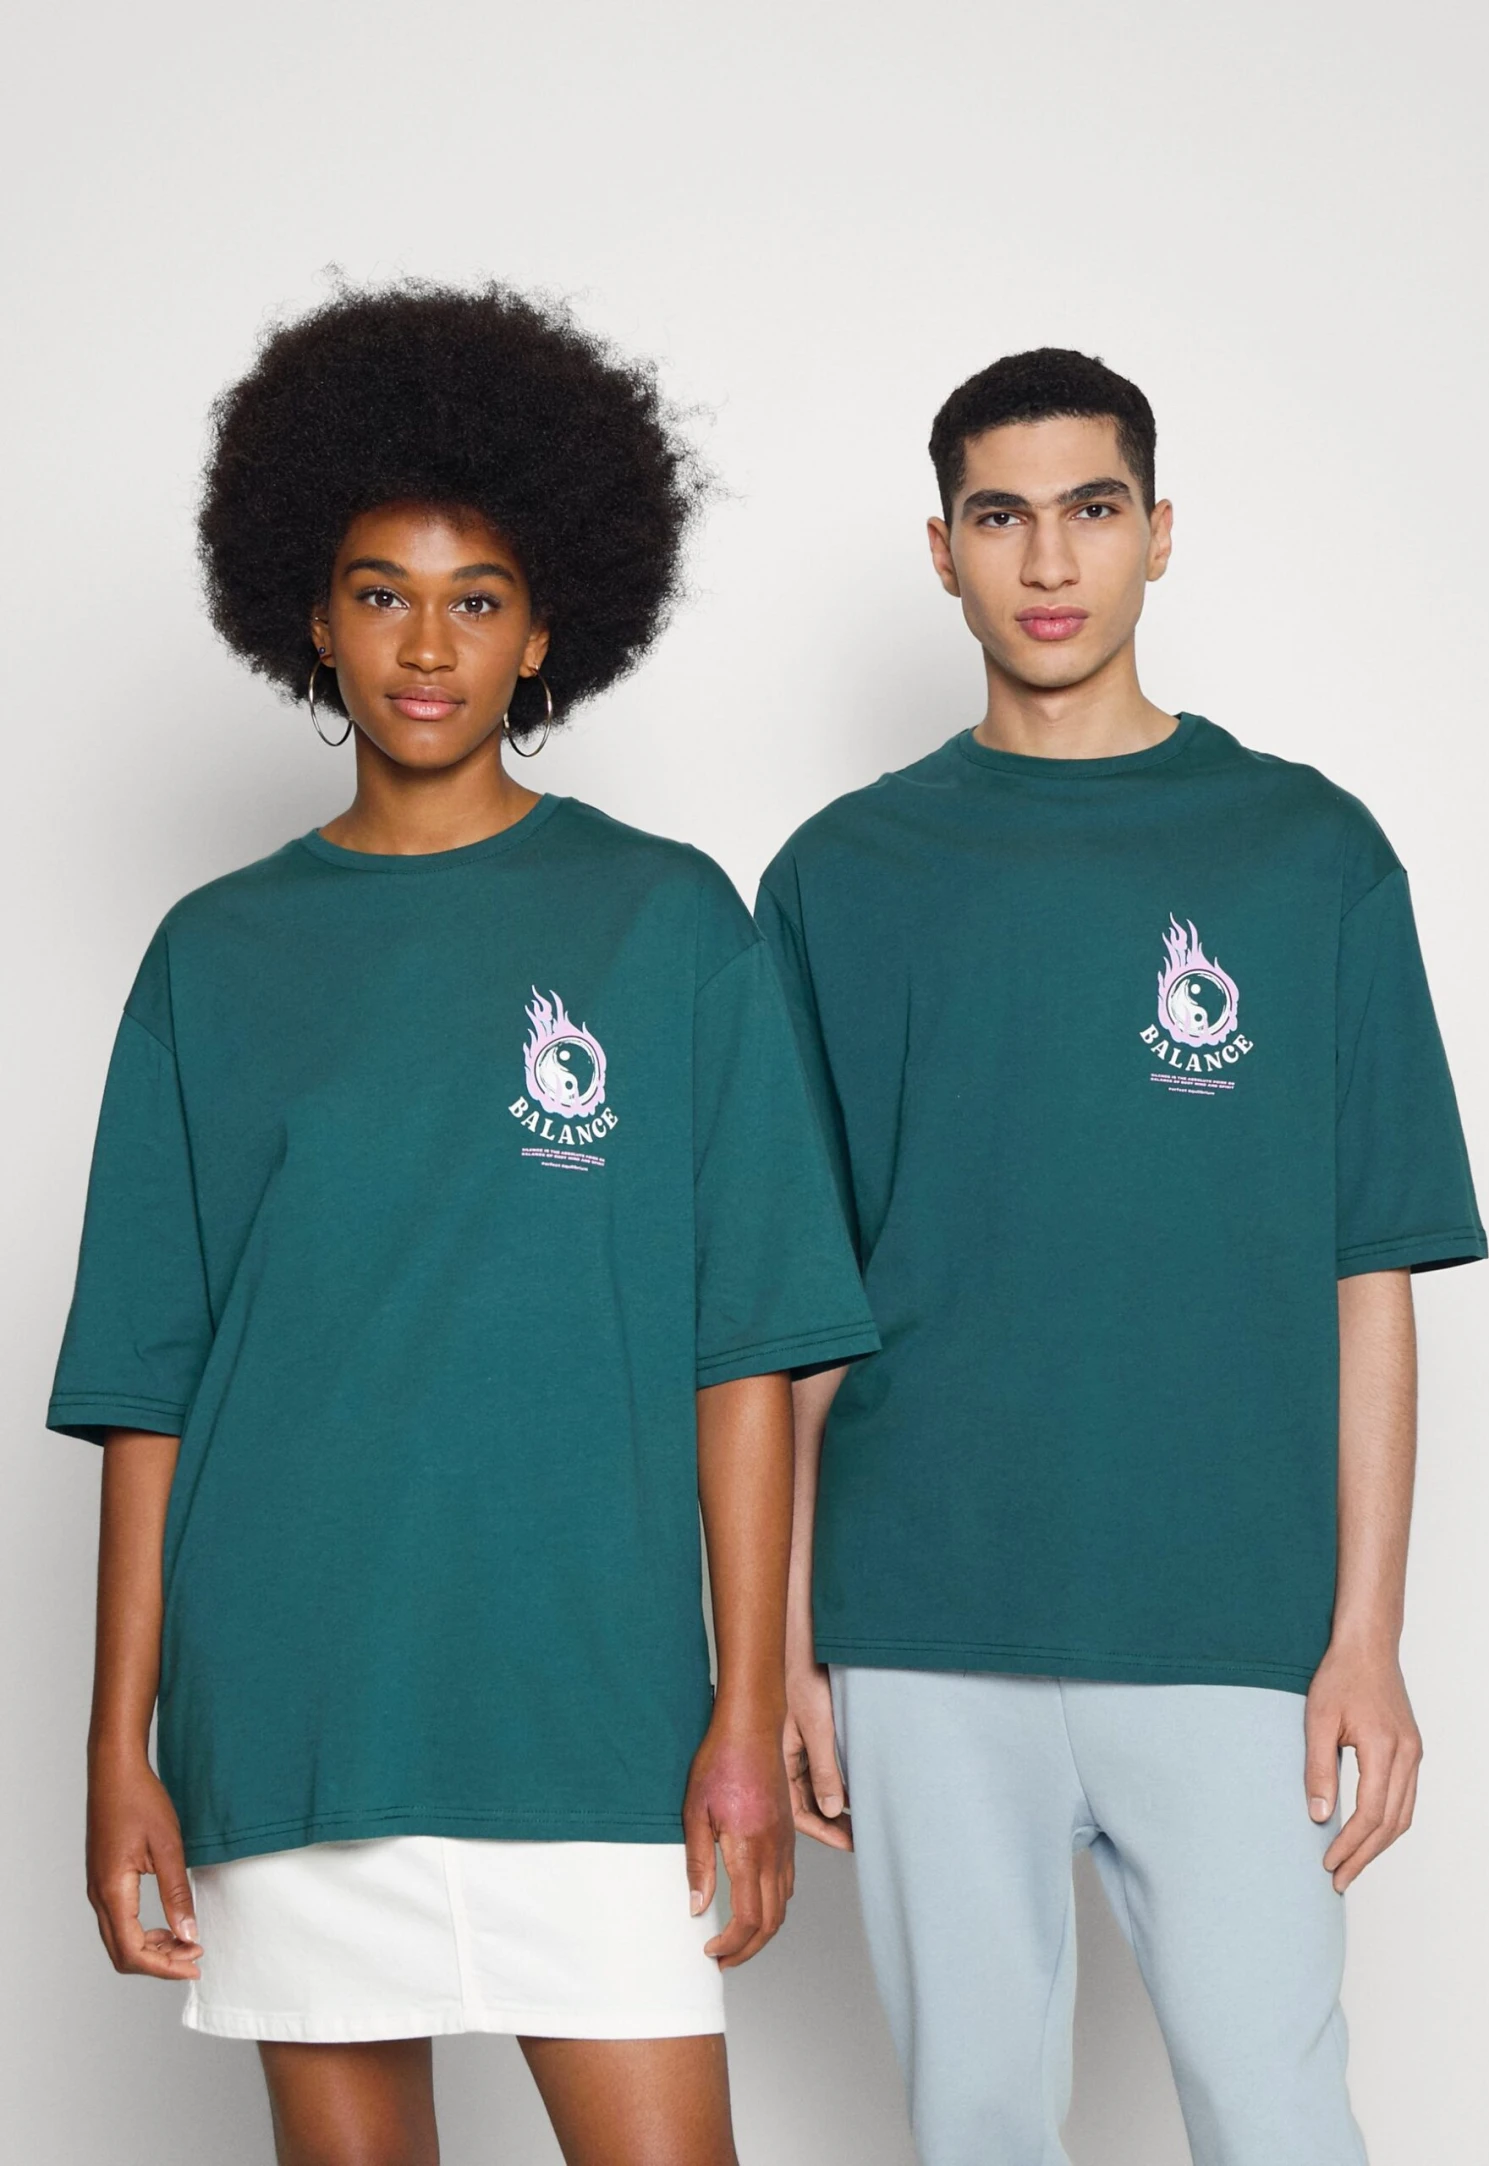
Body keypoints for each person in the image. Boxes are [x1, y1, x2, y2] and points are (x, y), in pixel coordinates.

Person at [49, 280, 877, 2166]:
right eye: (381, 592)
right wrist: (119, 1753)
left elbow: (745, 1348)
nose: (427, 645)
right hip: (297, 1709)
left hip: (591, 1711)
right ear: (312, 619)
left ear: (546, 630)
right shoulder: (212, 957)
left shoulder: (668, 924)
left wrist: (744, 1709)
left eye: (478, 598)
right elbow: (149, 1390)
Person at [756, 347, 1486, 2166]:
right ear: (943, 550)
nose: (1048, 557)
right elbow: (790, 1315)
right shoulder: (842, 875)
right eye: (1000, 515)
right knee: (977, 2124)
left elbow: (1371, 1279)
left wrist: (1368, 1636)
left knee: (1277, 2113)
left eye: (1090, 509)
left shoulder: (1308, 855)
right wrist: (778, 1645)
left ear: (1159, 532)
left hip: (1231, 1616)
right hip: (923, 1614)